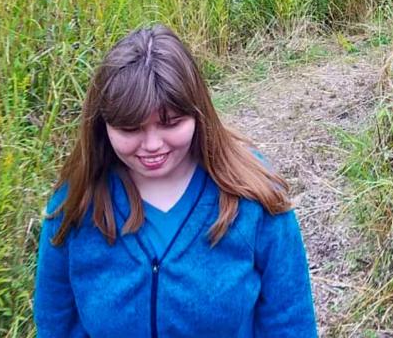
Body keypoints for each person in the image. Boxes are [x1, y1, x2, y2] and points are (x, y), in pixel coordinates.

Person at [33, 24, 318, 337]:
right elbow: (56, 322)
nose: (152, 145)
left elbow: (290, 321)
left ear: (199, 114)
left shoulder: (254, 195)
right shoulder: (74, 204)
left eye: (171, 123)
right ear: (103, 126)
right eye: (131, 129)